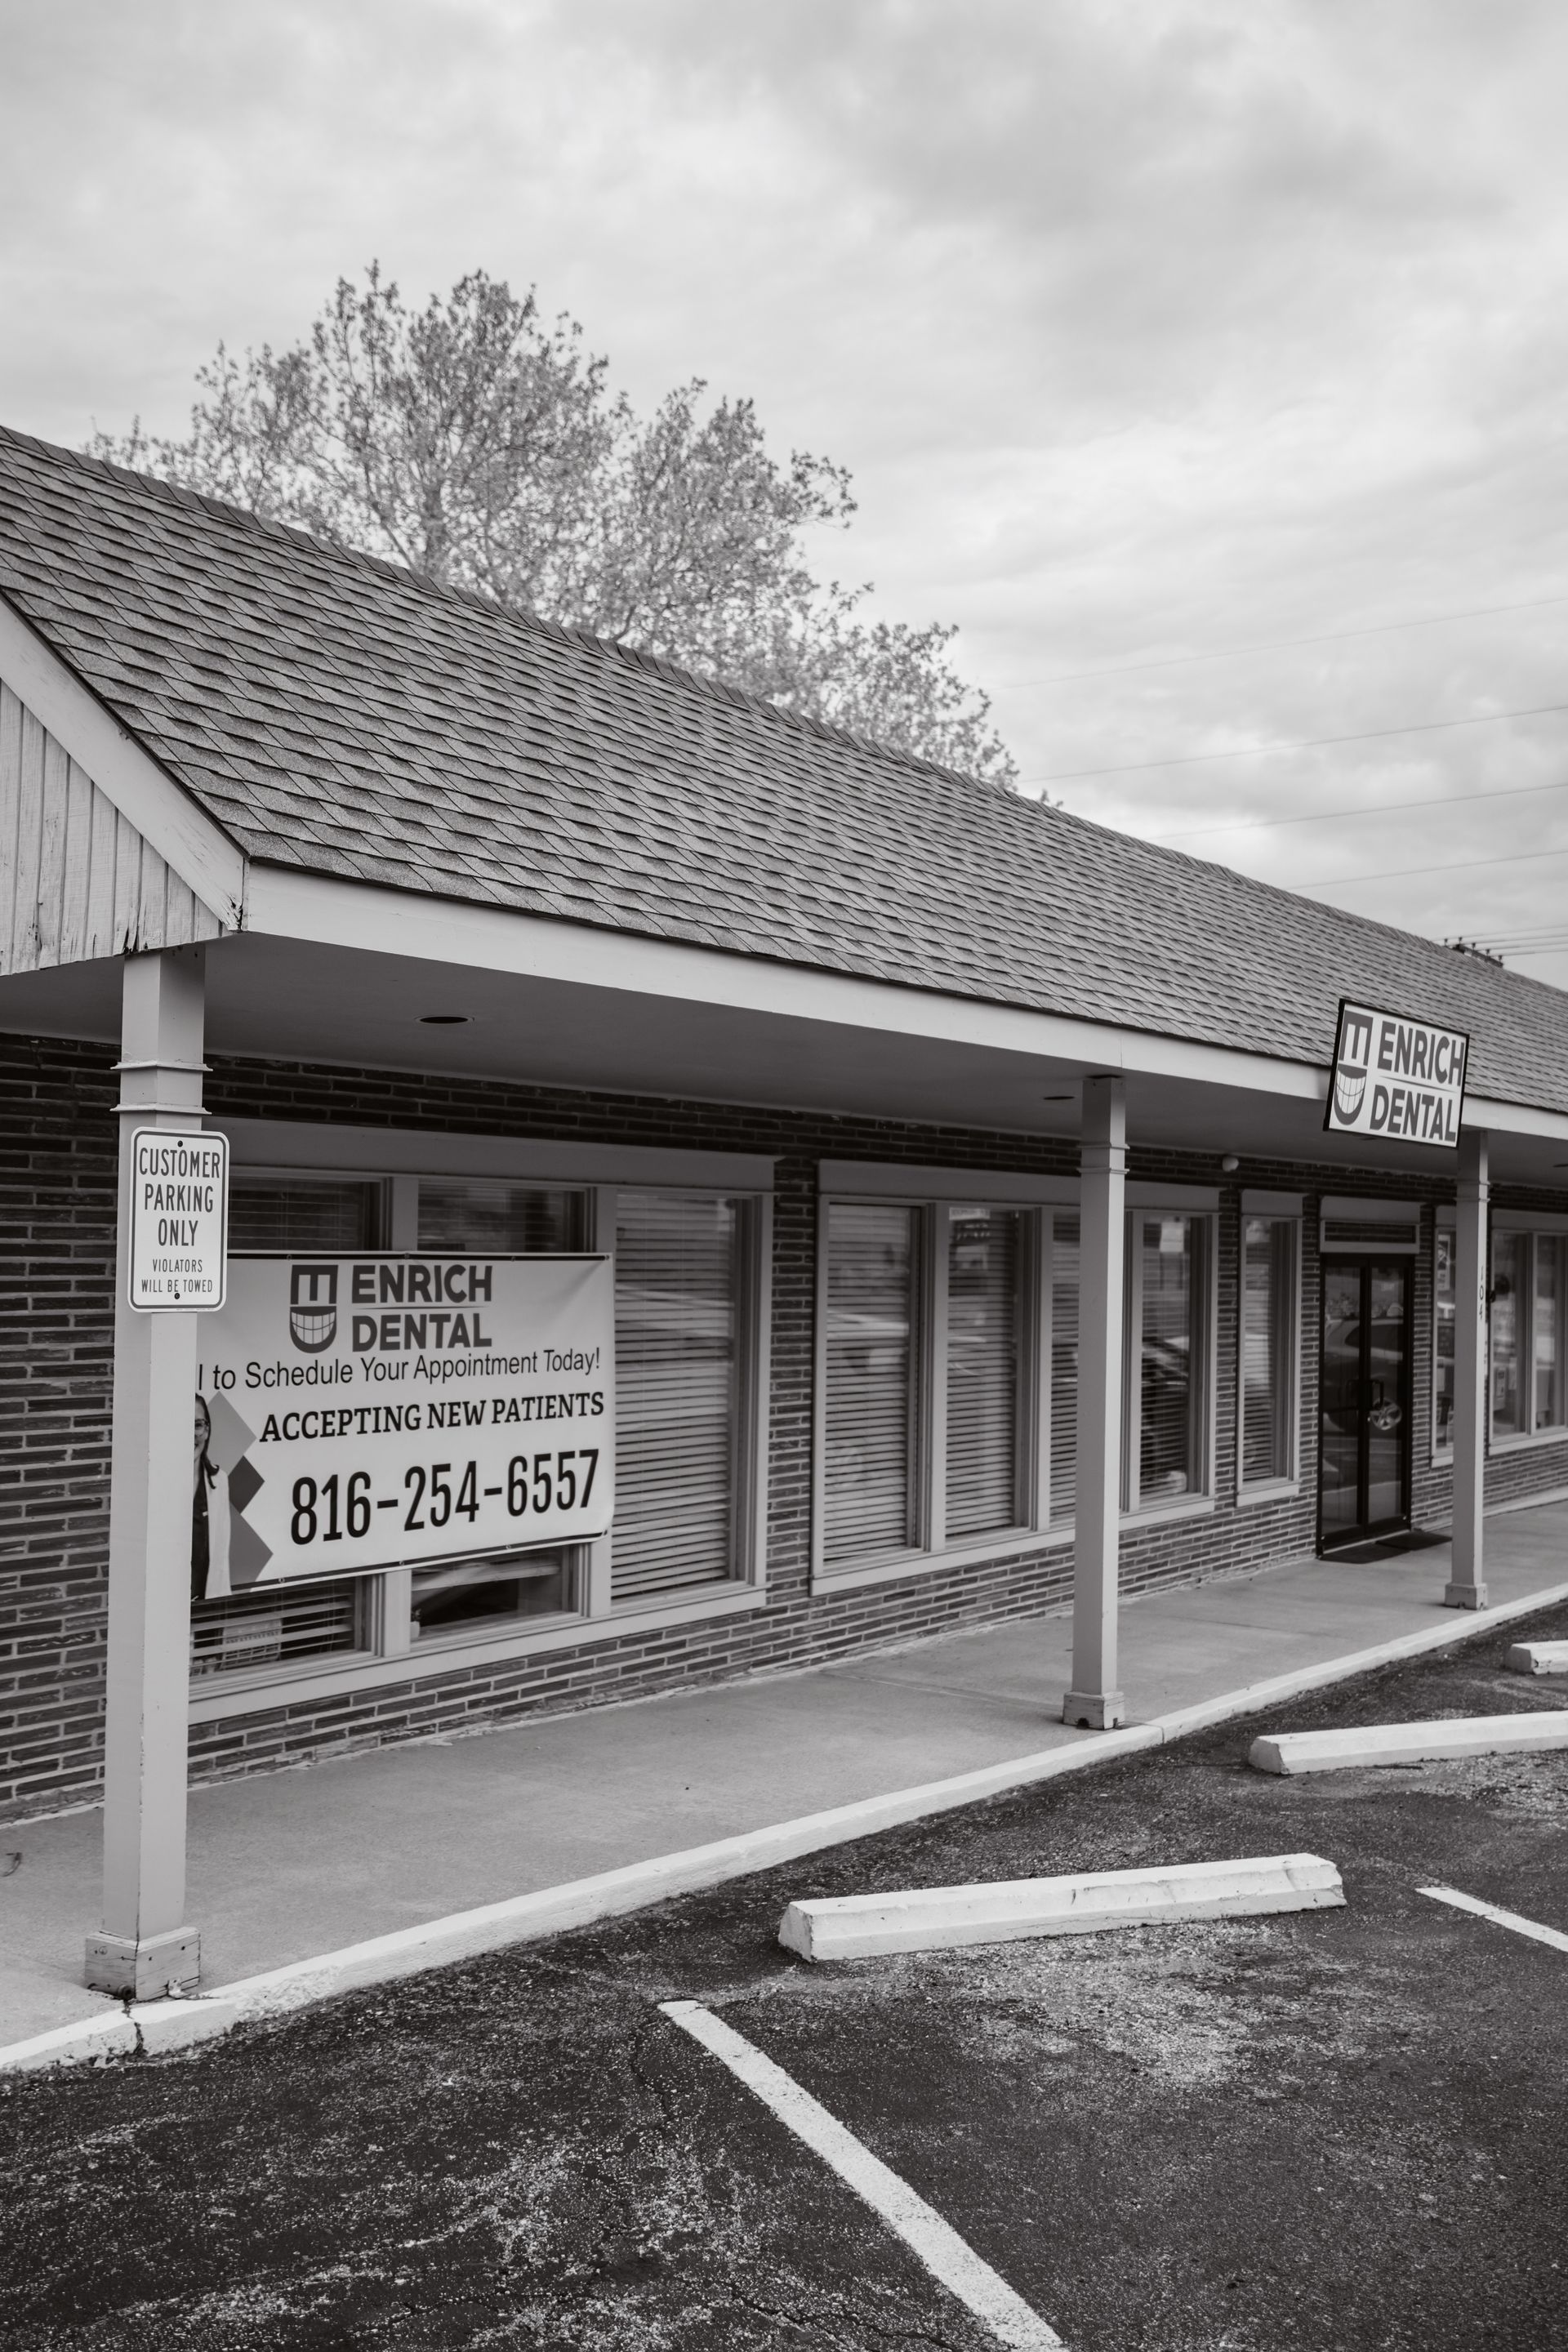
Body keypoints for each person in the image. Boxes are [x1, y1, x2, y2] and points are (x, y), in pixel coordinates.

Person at [192, 1393, 231, 1603]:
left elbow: (221, 1560)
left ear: (207, 1431)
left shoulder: (219, 1481)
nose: (191, 1434)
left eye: (197, 1425)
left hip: (205, 1610)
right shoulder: (158, 1482)